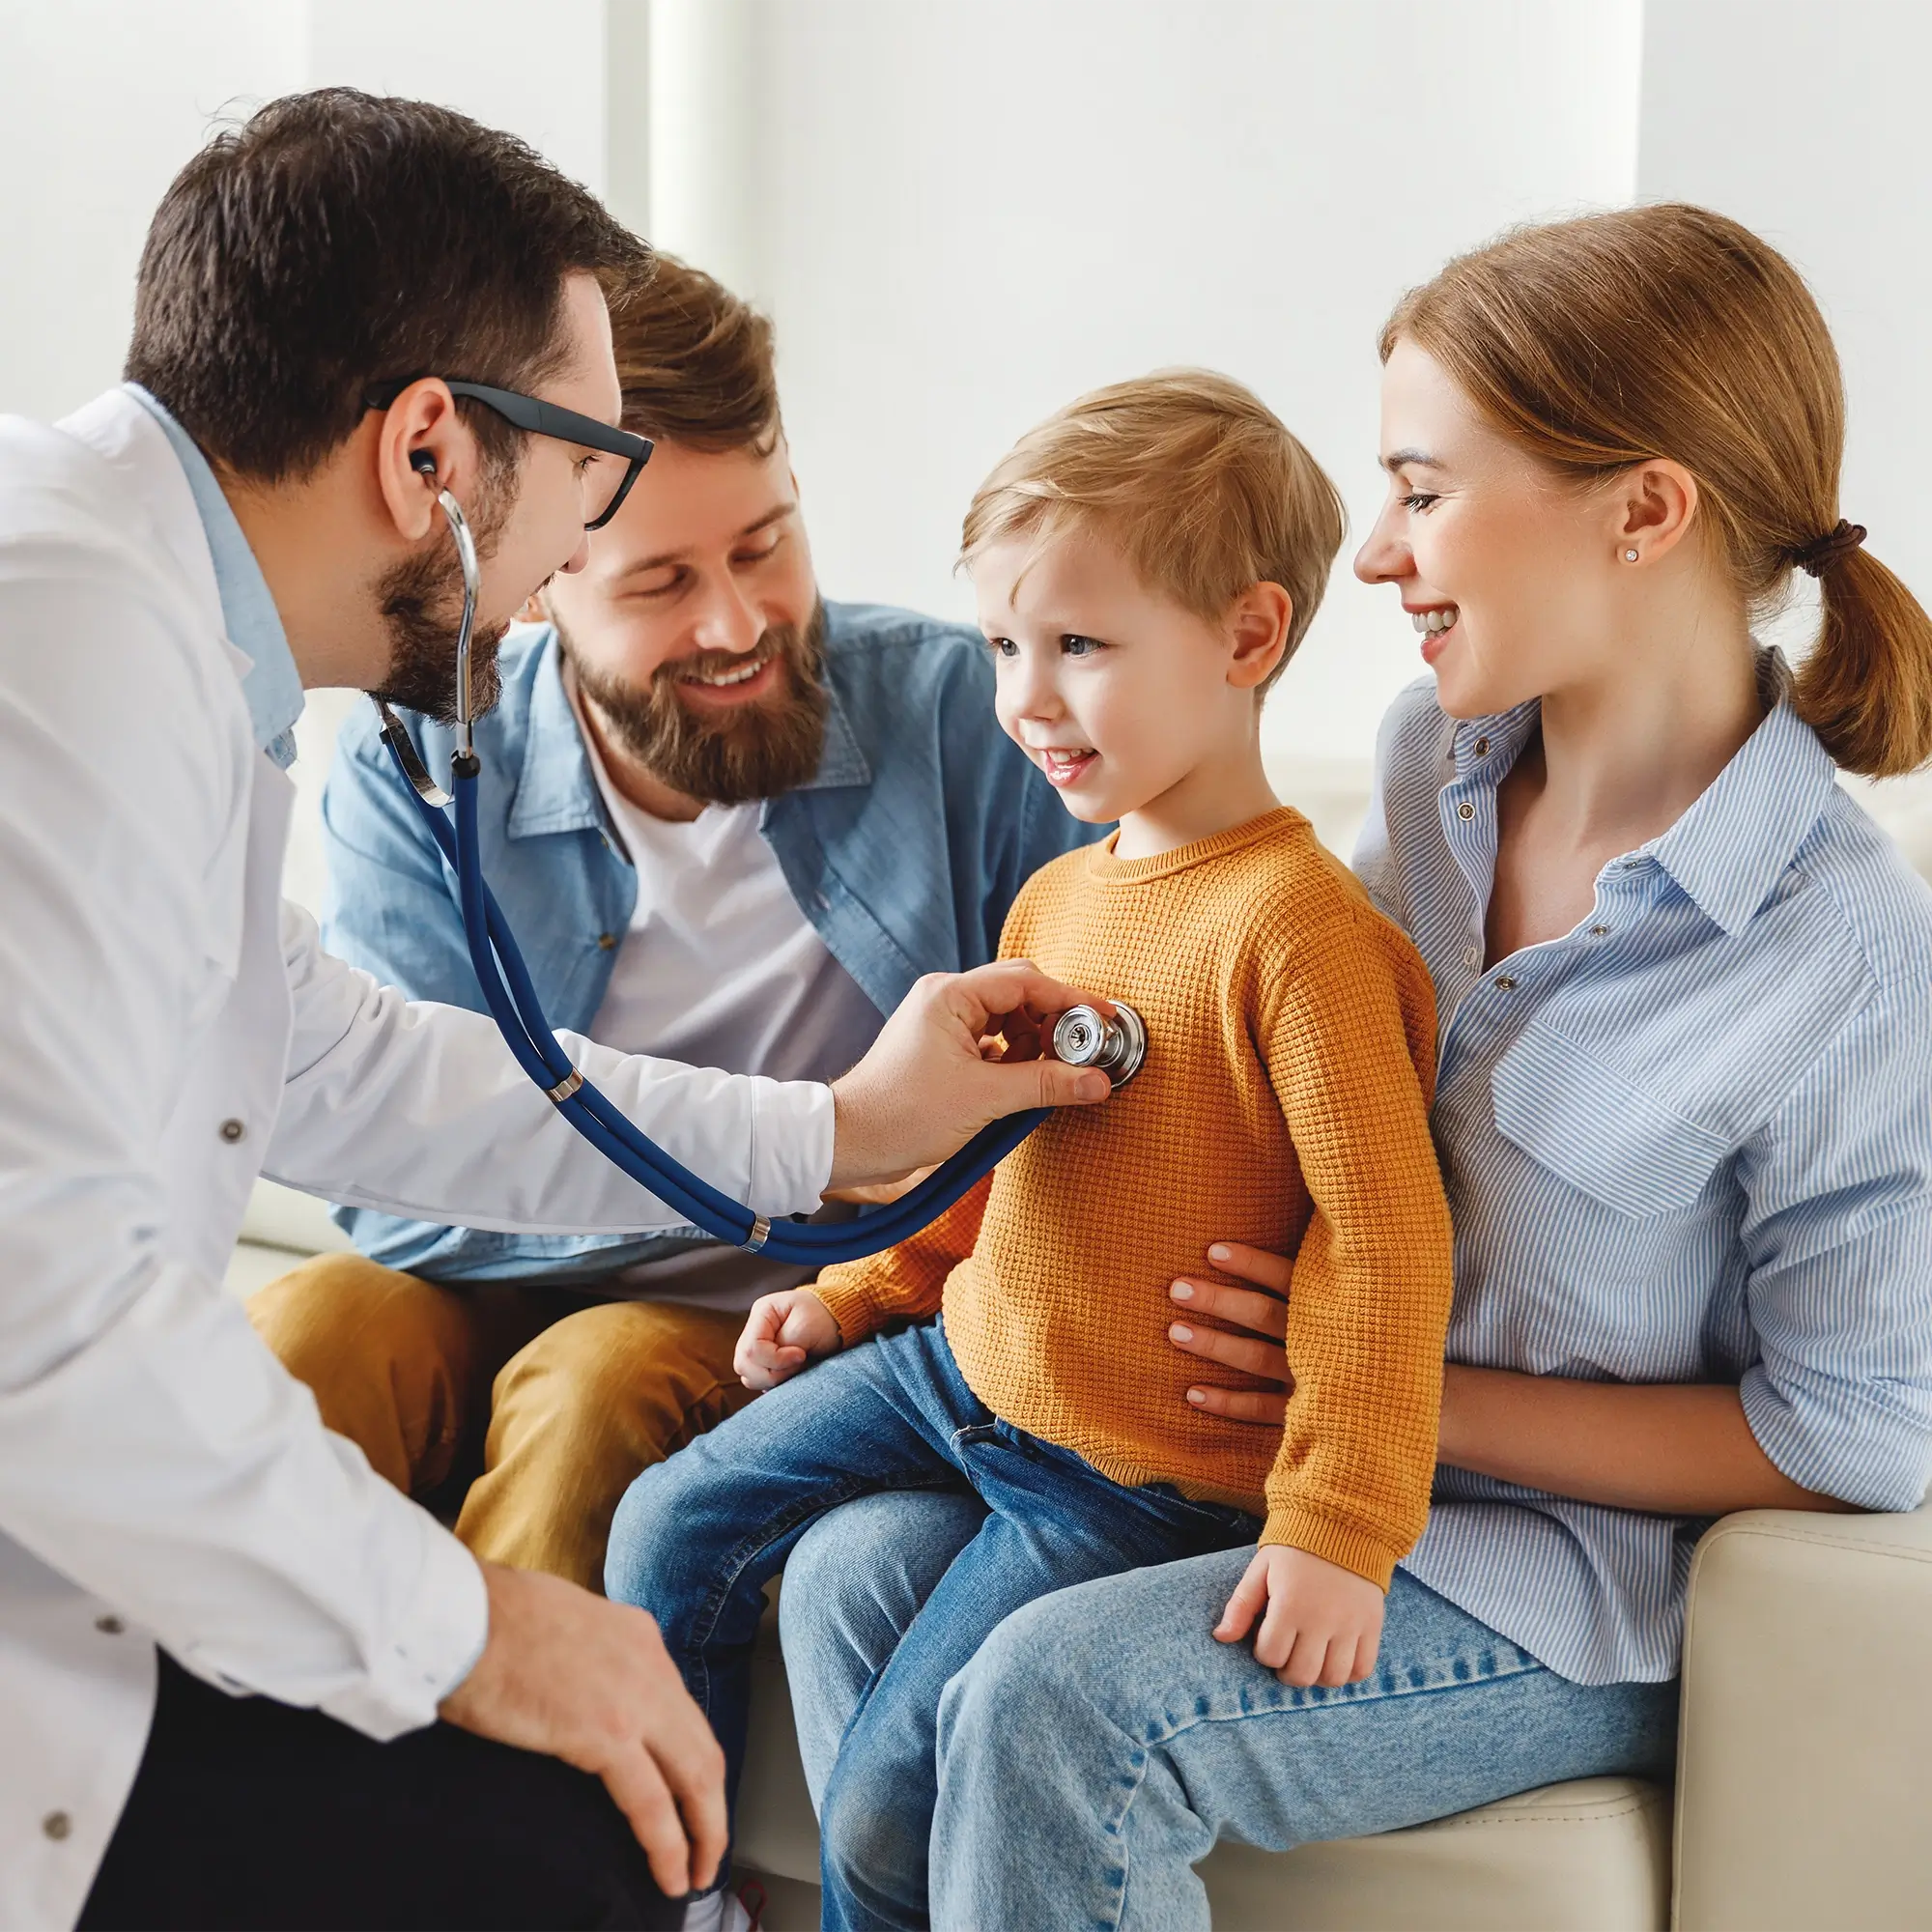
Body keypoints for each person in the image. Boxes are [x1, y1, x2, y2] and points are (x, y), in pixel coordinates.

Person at [0, 91, 1113, 1932]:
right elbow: (48, 1308)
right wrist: (472, 1629)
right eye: (594, 486)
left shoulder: (157, 635)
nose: (567, 563)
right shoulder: (76, 651)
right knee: (561, 1846)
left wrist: (835, 1137)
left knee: (557, 1841)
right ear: (433, 450)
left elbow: (340, 1057)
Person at [775, 204, 1932, 1931]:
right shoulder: (1433, 764)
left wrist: (1411, 1410)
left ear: (1646, 510)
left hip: (1550, 1587)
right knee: (848, 1568)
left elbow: (1851, 1436)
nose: (1376, 556)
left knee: (1058, 1706)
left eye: (1422, 487)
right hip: (1281, 1470)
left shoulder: (1841, 955)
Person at [606, 372, 1457, 1932]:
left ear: (1248, 640)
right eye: (1004, 646)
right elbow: (990, 1169)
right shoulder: (1056, 900)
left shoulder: (1304, 936)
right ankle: (670, 1898)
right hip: (970, 1370)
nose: (1025, 699)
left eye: (1078, 647)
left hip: (1127, 1477)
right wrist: (857, 1294)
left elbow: (1385, 1245)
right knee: (666, 1516)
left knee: (883, 1803)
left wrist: (1340, 1526)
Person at [246, 253, 1094, 1595]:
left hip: (791, 1317)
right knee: (309, 1330)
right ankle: (188, 1791)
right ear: (537, 585)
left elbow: (1136, 1019)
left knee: (597, 1376)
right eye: (659, 586)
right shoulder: (413, 761)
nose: (740, 622)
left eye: (767, 544)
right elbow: (392, 1195)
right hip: (502, 1272)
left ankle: (507, 1810)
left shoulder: (966, 720)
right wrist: (799, 1162)